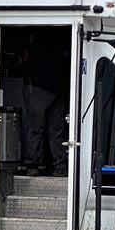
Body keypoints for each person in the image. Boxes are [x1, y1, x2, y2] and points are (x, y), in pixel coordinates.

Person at [21, 31, 70, 177]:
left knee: (38, 129)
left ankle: (34, 165)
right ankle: (57, 166)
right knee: (53, 131)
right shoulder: (65, 36)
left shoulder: (35, 38)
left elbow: (24, 57)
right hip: (51, 88)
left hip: (42, 87)